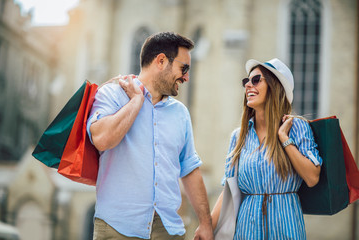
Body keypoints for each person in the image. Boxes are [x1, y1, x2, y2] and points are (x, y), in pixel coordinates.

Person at [87, 32, 213, 240]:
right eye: (184, 68)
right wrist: (137, 101)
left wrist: (206, 224)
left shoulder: (180, 113)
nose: (186, 77)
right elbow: (102, 139)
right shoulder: (111, 94)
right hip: (117, 228)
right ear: (161, 61)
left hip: (168, 230)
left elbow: (189, 169)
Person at [211, 58, 322, 239]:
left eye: (256, 80)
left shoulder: (297, 128)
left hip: (286, 228)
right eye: (246, 81)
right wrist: (207, 227)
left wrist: (284, 139)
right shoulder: (238, 137)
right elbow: (229, 191)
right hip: (247, 229)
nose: (248, 85)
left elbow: (312, 177)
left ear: (275, 87)